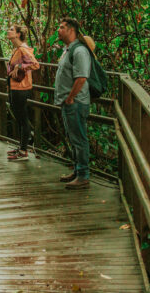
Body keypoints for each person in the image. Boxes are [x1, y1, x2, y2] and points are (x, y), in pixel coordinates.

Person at [55, 17, 93, 189]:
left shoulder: (79, 51)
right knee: (73, 138)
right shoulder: (68, 49)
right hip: (68, 102)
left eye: (62, 27)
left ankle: (84, 175)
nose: (58, 30)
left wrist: (70, 98)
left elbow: (82, 77)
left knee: (79, 139)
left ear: (71, 30)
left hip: (76, 103)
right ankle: (77, 170)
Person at [5, 24, 40, 162]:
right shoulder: (16, 49)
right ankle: (21, 146)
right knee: (19, 118)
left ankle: (24, 150)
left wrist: (20, 66)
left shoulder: (23, 49)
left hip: (21, 89)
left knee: (23, 118)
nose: (8, 31)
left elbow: (35, 64)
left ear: (18, 34)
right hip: (14, 87)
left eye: (12, 30)